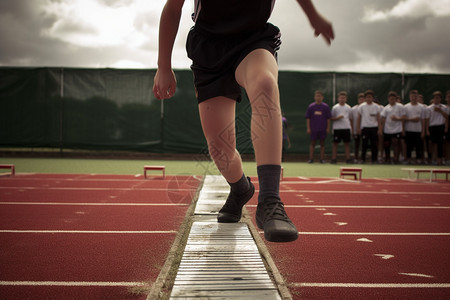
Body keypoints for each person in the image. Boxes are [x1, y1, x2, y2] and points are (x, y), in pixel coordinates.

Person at [153, 0, 334, 243]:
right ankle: (240, 189)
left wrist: (313, 15)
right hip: (209, 49)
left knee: (265, 85)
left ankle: (270, 200)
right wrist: (164, 66)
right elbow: (173, 7)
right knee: (220, 149)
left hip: (253, 40)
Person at [305, 90, 331, 163]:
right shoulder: (311, 107)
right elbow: (308, 118)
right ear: (314, 97)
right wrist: (308, 128)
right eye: (317, 96)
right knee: (312, 143)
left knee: (322, 143)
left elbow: (328, 118)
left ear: (322, 97)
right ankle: (311, 159)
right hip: (313, 129)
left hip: (322, 128)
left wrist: (328, 128)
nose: (318, 97)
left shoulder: (325, 107)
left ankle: (322, 159)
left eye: (320, 96)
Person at [379, 91, 405, 164]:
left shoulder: (400, 107)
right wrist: (381, 129)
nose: (392, 100)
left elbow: (403, 117)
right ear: (388, 99)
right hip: (387, 130)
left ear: (396, 99)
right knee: (386, 144)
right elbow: (383, 119)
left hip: (397, 130)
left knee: (396, 143)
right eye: (390, 99)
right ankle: (387, 159)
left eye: (393, 99)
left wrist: (398, 120)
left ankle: (396, 159)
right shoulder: (386, 108)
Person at [357, 90, 381, 163]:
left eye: (370, 97)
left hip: (374, 128)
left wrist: (379, 129)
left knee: (374, 144)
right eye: (367, 97)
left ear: (373, 98)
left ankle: (374, 159)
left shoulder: (376, 107)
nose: (369, 99)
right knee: (364, 144)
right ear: (365, 98)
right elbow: (359, 118)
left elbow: (378, 118)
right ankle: (362, 159)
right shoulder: (361, 107)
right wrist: (358, 128)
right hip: (365, 128)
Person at [403, 90, 426, 164]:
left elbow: (423, 120)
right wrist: (412, 119)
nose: (414, 98)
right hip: (408, 130)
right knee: (409, 146)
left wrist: (423, 131)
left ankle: (418, 160)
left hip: (418, 130)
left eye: (415, 96)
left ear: (417, 97)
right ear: (410, 97)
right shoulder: (406, 107)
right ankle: (408, 159)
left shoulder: (422, 107)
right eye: (412, 96)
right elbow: (403, 119)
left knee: (418, 146)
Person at [331, 91, 353, 163]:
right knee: (335, 144)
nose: (342, 99)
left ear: (346, 99)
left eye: (344, 98)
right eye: (341, 98)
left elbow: (350, 118)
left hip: (346, 128)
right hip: (337, 128)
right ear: (338, 99)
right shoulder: (335, 108)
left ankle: (348, 158)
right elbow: (331, 118)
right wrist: (337, 118)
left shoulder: (349, 108)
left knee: (347, 143)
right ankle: (334, 159)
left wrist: (351, 128)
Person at [427, 91, 449, 165]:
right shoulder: (429, 108)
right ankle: (433, 158)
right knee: (432, 143)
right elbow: (427, 119)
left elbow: (447, 117)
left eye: (438, 98)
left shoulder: (444, 107)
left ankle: (439, 159)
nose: (437, 99)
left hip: (441, 127)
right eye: (435, 98)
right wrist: (427, 129)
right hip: (432, 127)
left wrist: (440, 111)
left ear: (440, 99)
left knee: (440, 144)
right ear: (433, 99)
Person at [351, 93, 365, 163]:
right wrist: (353, 130)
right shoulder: (353, 109)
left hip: (365, 130)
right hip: (356, 130)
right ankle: (356, 158)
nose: (361, 100)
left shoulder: (366, 108)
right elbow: (352, 120)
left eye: (363, 99)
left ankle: (362, 159)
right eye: (360, 99)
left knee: (364, 145)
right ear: (358, 100)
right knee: (356, 144)